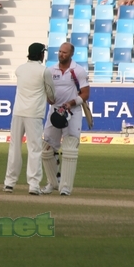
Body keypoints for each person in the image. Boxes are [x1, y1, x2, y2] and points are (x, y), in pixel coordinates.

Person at [3, 43, 56, 195]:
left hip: (18, 111)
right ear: (41, 54)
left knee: (14, 148)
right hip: (34, 113)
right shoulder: (44, 71)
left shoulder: (20, 69)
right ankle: (33, 185)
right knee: (34, 149)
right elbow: (51, 92)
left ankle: (9, 183)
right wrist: (51, 99)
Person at [41, 42, 90, 196]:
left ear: (71, 54)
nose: (61, 54)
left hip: (72, 113)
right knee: (46, 148)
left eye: (64, 52)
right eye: (60, 51)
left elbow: (85, 94)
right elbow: (46, 90)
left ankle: (66, 187)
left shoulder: (78, 71)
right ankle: (52, 183)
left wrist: (71, 102)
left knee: (69, 148)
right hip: (55, 112)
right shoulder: (50, 70)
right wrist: (48, 98)